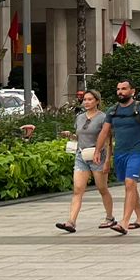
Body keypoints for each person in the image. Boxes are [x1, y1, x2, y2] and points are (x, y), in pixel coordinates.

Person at [56, 89, 125, 235]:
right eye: (84, 99)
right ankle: (71, 222)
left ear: (97, 101)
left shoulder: (103, 118)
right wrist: (70, 136)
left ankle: (110, 217)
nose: (86, 102)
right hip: (81, 155)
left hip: (97, 156)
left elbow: (108, 141)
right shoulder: (80, 117)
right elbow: (80, 137)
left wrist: (107, 160)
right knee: (78, 189)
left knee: (102, 188)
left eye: (89, 99)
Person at [97, 80, 140, 230]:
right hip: (120, 153)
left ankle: (124, 222)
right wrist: (97, 151)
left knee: (130, 184)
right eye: (118, 89)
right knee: (129, 185)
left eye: (124, 89)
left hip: (137, 151)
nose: (120, 92)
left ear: (132, 91)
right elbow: (105, 132)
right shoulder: (112, 111)